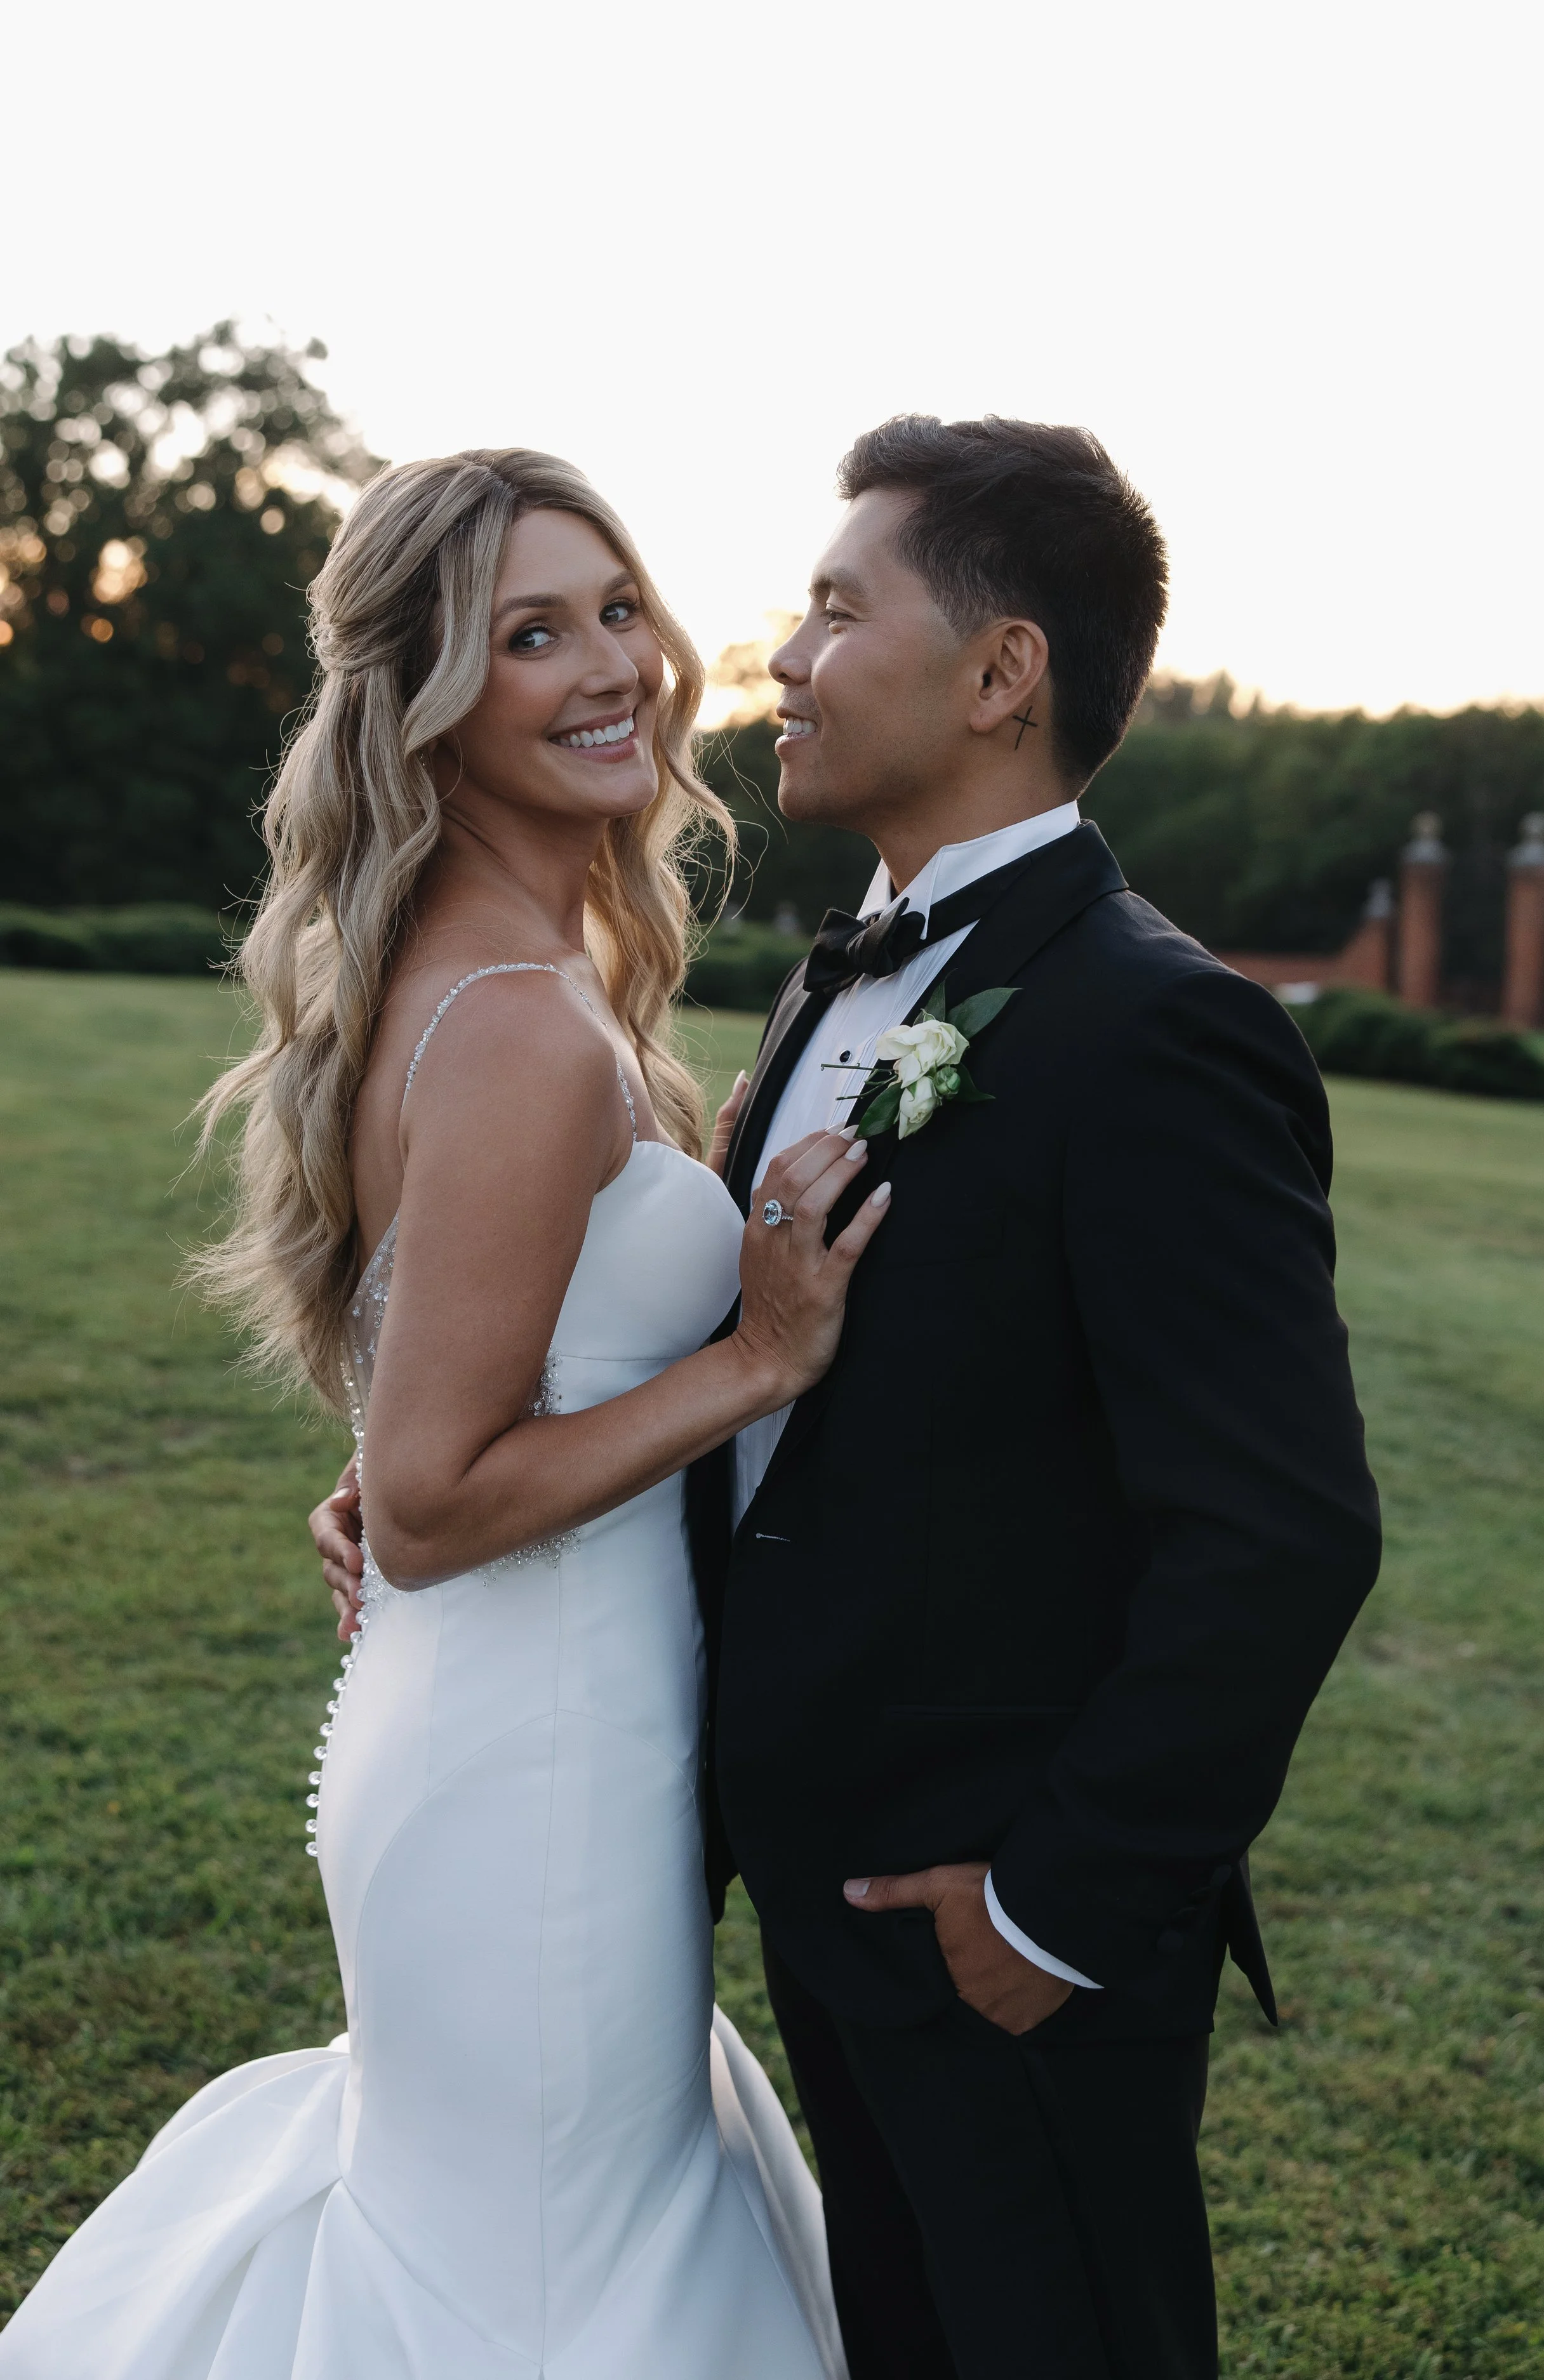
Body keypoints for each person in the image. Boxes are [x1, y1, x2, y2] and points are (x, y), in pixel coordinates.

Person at [320, 414, 1381, 2380]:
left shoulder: (1159, 1032)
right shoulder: (826, 990)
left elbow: (1282, 1530)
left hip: (997, 1916)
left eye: (832, 610)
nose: (775, 658)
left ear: (998, 674)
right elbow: (758, 1400)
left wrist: (1056, 1902)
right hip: (790, 1880)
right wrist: (437, 1479)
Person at [0, 449, 884, 2378]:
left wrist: (411, 1468)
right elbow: (427, 1499)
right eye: (530, 636)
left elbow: (444, 1412)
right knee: (541, 2277)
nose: (609, 668)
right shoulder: (514, 1023)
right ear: (429, 701)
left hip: (536, 1717)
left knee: (532, 2233)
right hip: (534, 1760)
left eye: (618, 611)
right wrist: (755, 1358)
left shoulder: (525, 979)